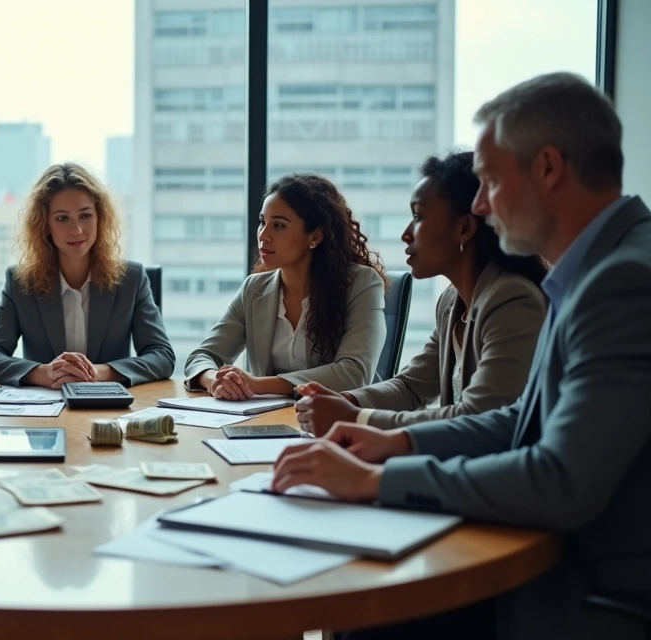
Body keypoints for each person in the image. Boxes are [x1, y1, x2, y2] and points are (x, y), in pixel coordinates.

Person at [272, 73, 651, 640]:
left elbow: (559, 479)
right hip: (555, 553)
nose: (479, 203)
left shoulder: (622, 281)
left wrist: (377, 480)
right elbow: (522, 420)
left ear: (548, 168)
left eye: (492, 180)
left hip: (588, 589)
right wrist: (395, 441)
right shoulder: (593, 270)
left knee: (369, 611)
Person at [295, 151, 548, 436]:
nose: (406, 233)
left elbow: (478, 417)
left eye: (418, 216)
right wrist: (347, 400)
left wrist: (357, 418)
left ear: (465, 227)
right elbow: (412, 386)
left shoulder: (512, 300)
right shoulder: (453, 301)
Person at [184, 174, 388, 398]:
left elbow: (353, 373)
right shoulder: (254, 289)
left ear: (315, 236)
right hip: (266, 422)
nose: (263, 235)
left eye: (279, 225)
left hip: (337, 422)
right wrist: (214, 380)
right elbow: (202, 356)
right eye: (263, 222)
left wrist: (259, 384)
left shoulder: (361, 283)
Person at [0, 163, 174, 387]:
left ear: (100, 218)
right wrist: (46, 373)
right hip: (46, 413)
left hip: (110, 411)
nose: (77, 230)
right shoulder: (22, 283)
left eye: (85, 215)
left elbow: (162, 356)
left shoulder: (132, 279)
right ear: (45, 224)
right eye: (62, 218)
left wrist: (100, 372)